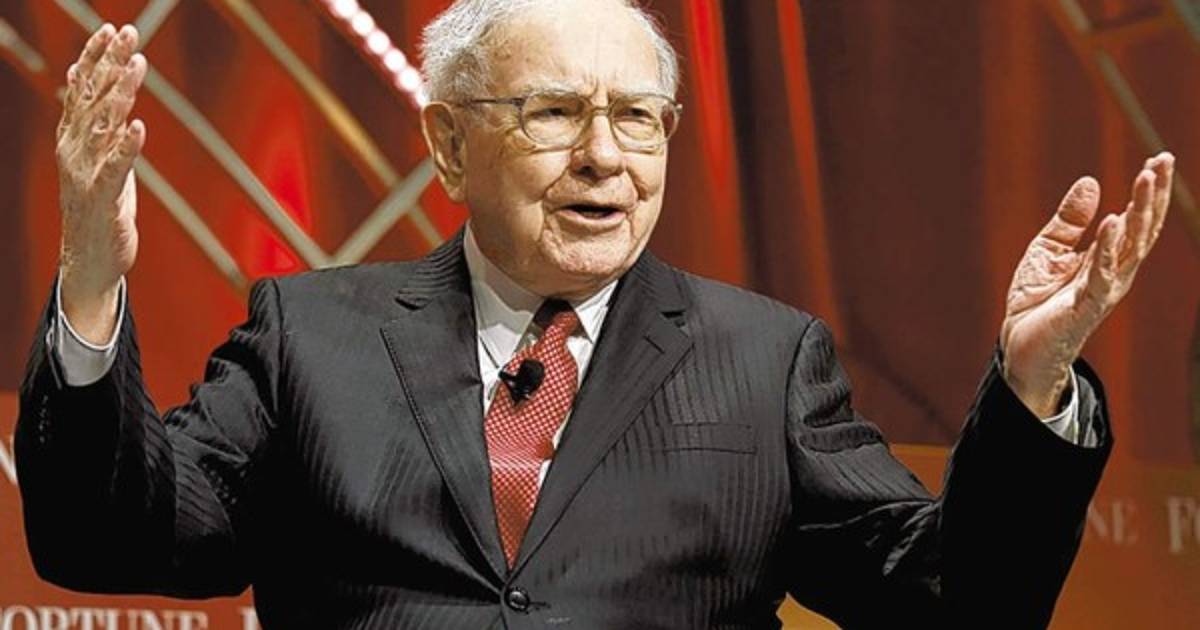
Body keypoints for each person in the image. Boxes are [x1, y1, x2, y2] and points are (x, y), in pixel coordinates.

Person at [16, 0, 1173, 628]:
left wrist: (1033, 384)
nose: (604, 156)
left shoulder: (764, 360)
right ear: (448, 143)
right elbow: (106, 538)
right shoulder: (309, 337)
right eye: (556, 112)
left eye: (638, 117)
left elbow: (957, 602)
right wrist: (92, 281)